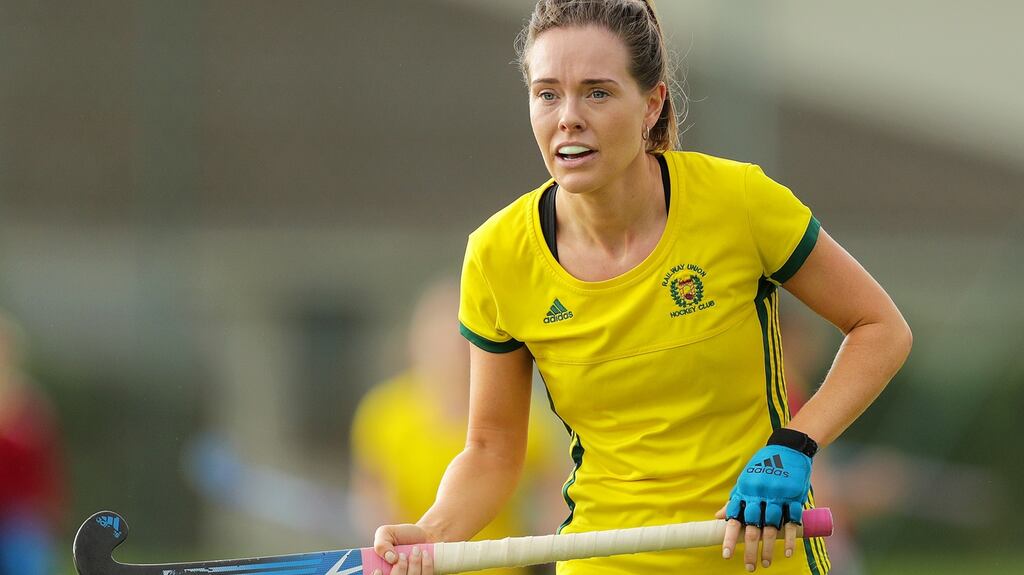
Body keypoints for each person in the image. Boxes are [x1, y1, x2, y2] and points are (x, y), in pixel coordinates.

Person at [371, 1, 913, 574]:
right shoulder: (496, 255)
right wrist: (431, 532)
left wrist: (794, 446)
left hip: (762, 555)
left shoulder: (740, 202)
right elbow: (491, 452)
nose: (568, 118)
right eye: (547, 93)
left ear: (652, 104)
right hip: (603, 559)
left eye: (597, 93)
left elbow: (880, 328)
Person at [350, 279, 564, 575]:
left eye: (460, 338)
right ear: (416, 342)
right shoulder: (383, 413)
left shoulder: (523, 413)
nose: (451, 350)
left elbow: (555, 494)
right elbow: (370, 498)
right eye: (438, 338)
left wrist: (547, 548)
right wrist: (397, 553)